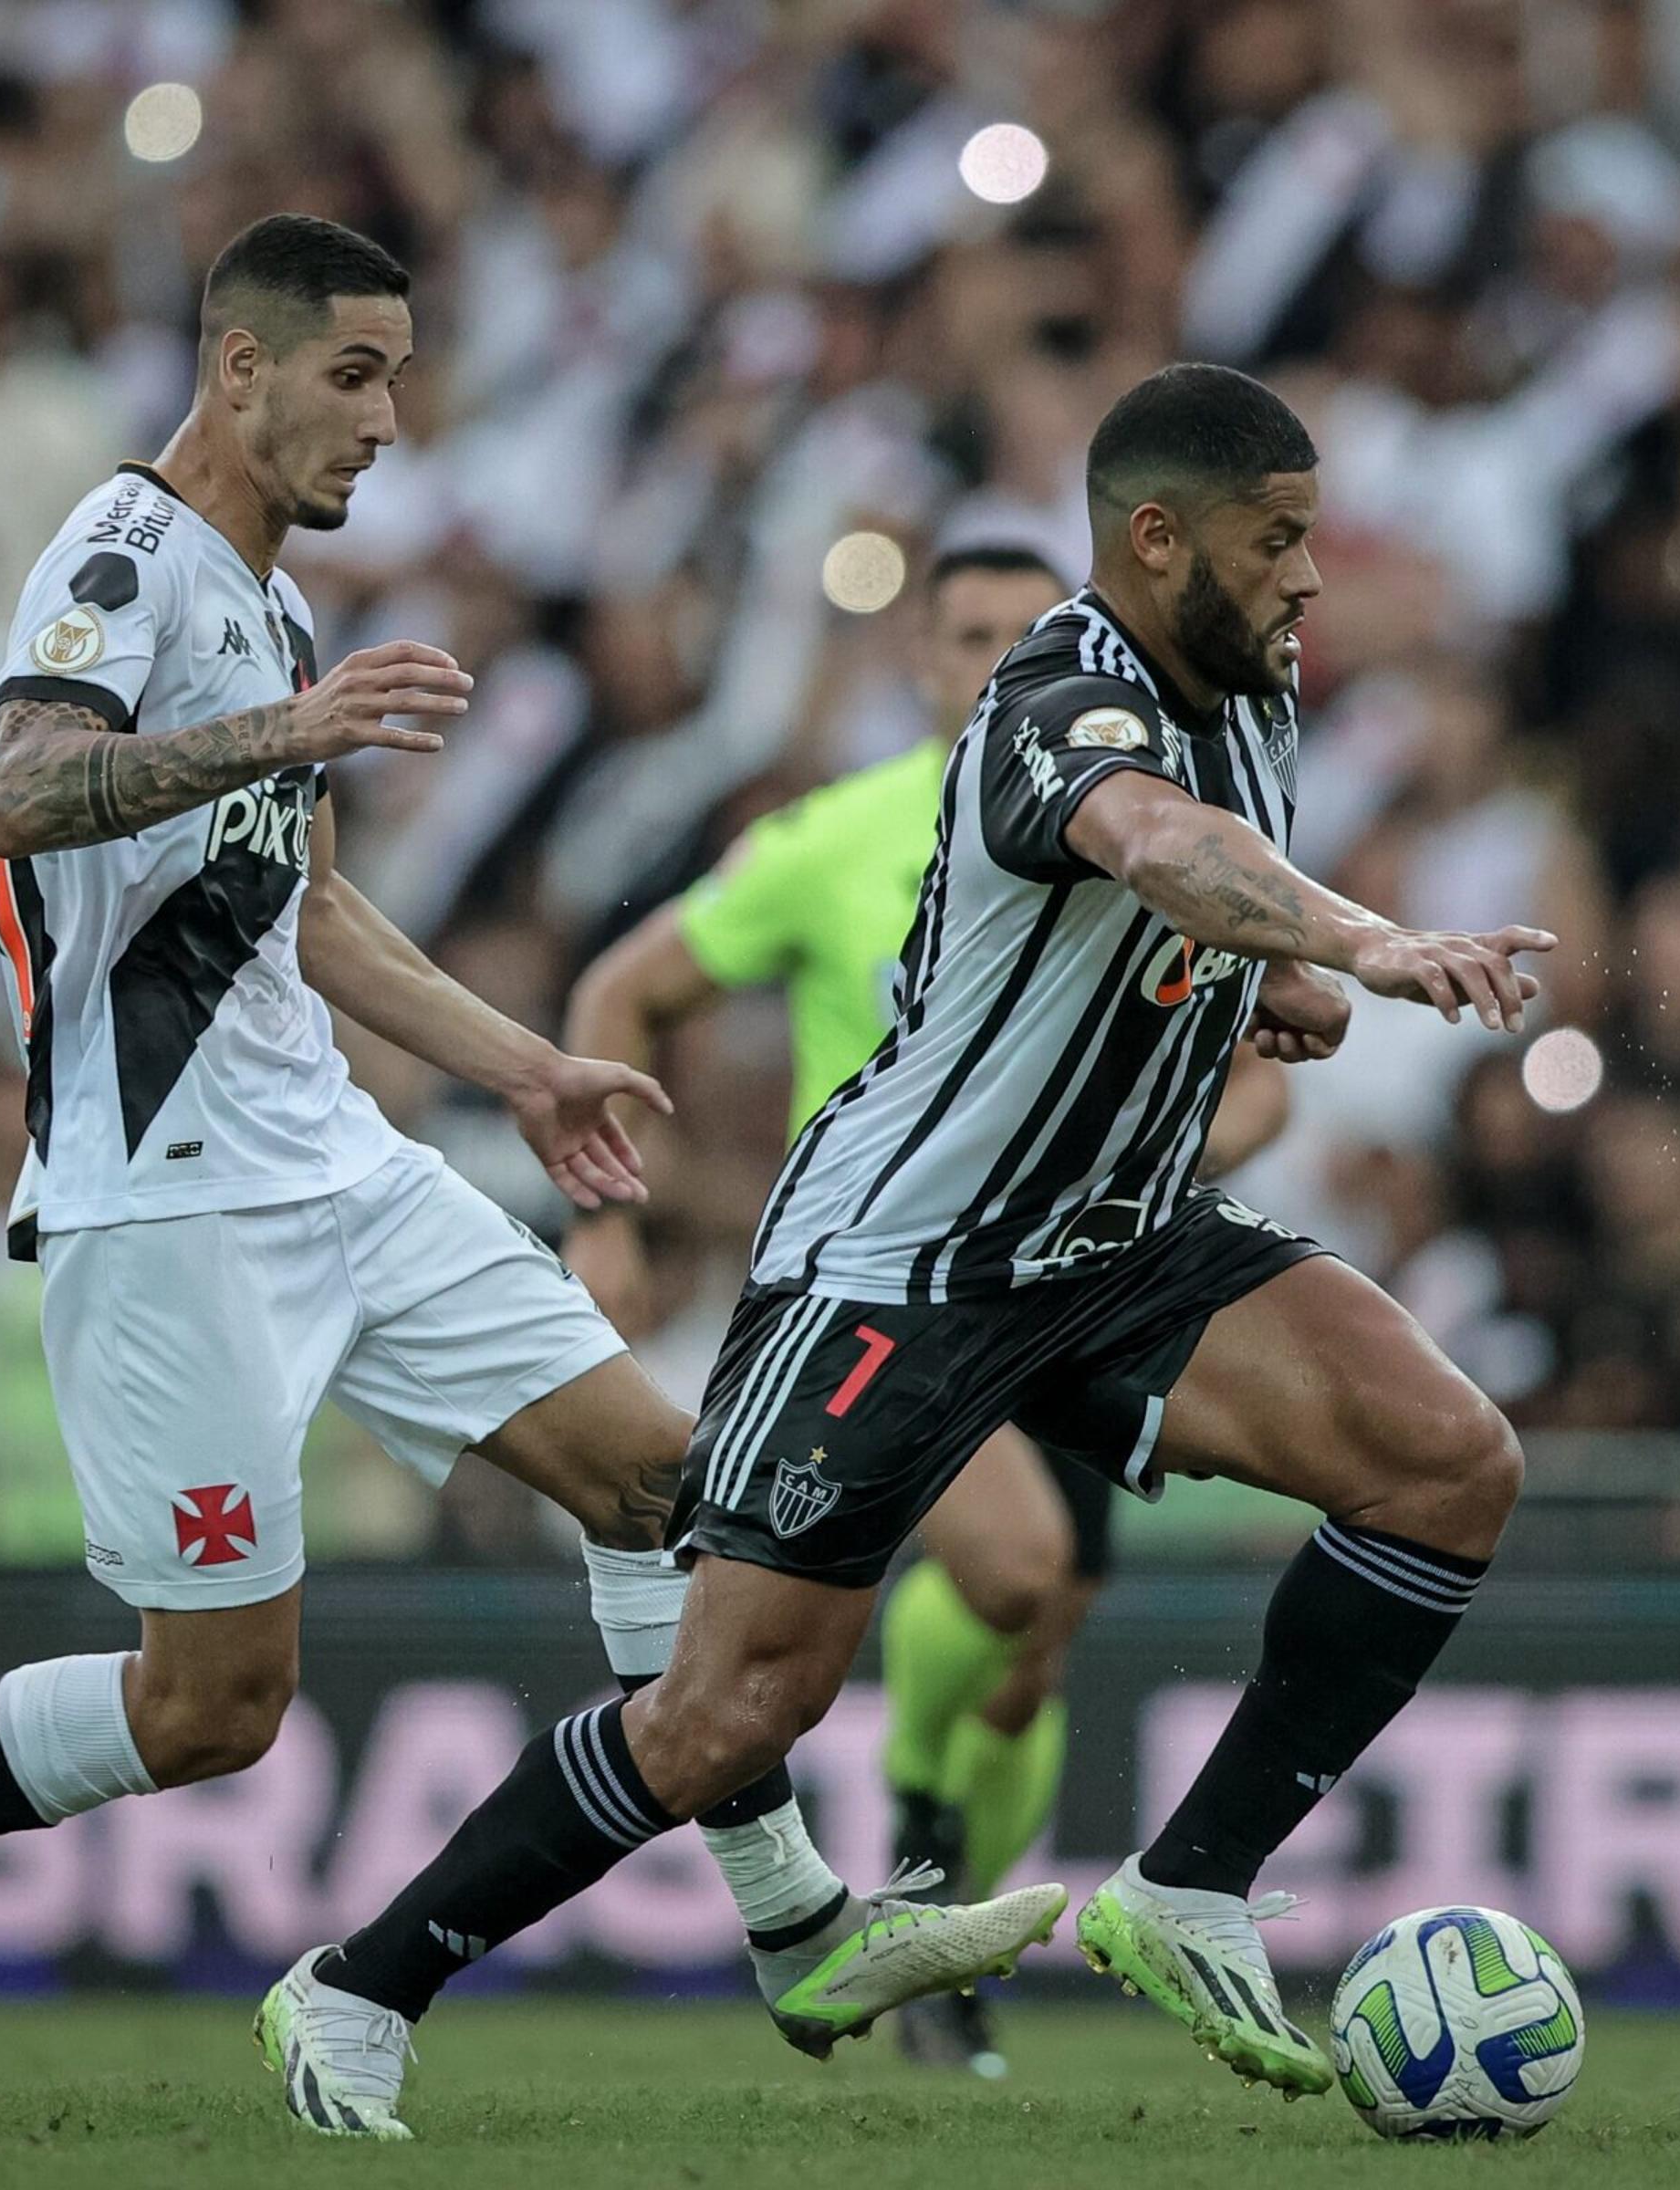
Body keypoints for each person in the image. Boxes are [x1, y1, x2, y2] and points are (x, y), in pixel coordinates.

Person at [0, 214, 1049, 2111]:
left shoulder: (274, 599)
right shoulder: (121, 553)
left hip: (341, 1162)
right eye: (357, 373)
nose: (391, 418)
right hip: (162, 1202)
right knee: (210, 1710)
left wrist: (529, 1063)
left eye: (400, 374)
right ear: (239, 367)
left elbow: (302, 904)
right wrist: (286, 727)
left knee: (669, 1483)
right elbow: (21, 784)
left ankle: (798, 1929)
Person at [294, 362, 1543, 2135]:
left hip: (1114, 1240)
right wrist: (1363, 939)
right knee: (727, 1717)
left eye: (1311, 540)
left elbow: (1179, 897)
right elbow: (1158, 847)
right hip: (907, 1265)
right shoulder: (1057, 690)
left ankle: (1185, 1887)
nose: (1308, 578)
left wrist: (1264, 984)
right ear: (1156, 537)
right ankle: (362, 1984)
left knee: (1448, 1463)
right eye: (1277, 542)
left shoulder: (1253, 693)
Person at [562, 541, 1289, 2077]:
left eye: (1022, 637)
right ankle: (909, 1814)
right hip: (904, 1286)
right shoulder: (836, 838)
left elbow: (1263, 1073)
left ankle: (941, 1907)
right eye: (963, 636)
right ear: (918, 658)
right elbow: (622, 992)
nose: (989, 664)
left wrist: (1174, 1139)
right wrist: (610, 1213)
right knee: (1018, 1568)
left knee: (1046, 1630)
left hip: (1094, 1275)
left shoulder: (1155, 828)